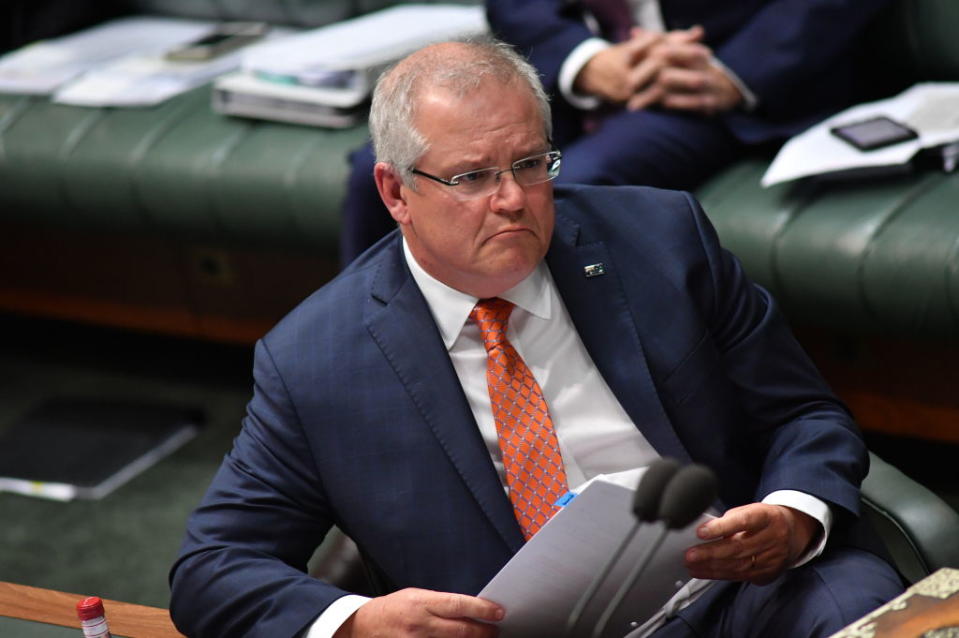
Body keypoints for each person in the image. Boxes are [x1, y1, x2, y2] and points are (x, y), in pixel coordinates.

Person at [169, 39, 903, 638]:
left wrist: (792, 516)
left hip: (726, 593)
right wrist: (355, 622)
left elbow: (802, 414)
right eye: (473, 177)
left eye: (530, 164)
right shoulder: (314, 360)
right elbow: (213, 569)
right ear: (395, 193)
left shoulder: (660, 239)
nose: (514, 199)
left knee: (859, 600)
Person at [338, 0, 894, 265]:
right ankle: (382, 364)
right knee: (385, 171)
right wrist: (586, 62)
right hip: (578, 69)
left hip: (713, 81)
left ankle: (524, 388)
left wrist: (734, 73)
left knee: (567, 186)